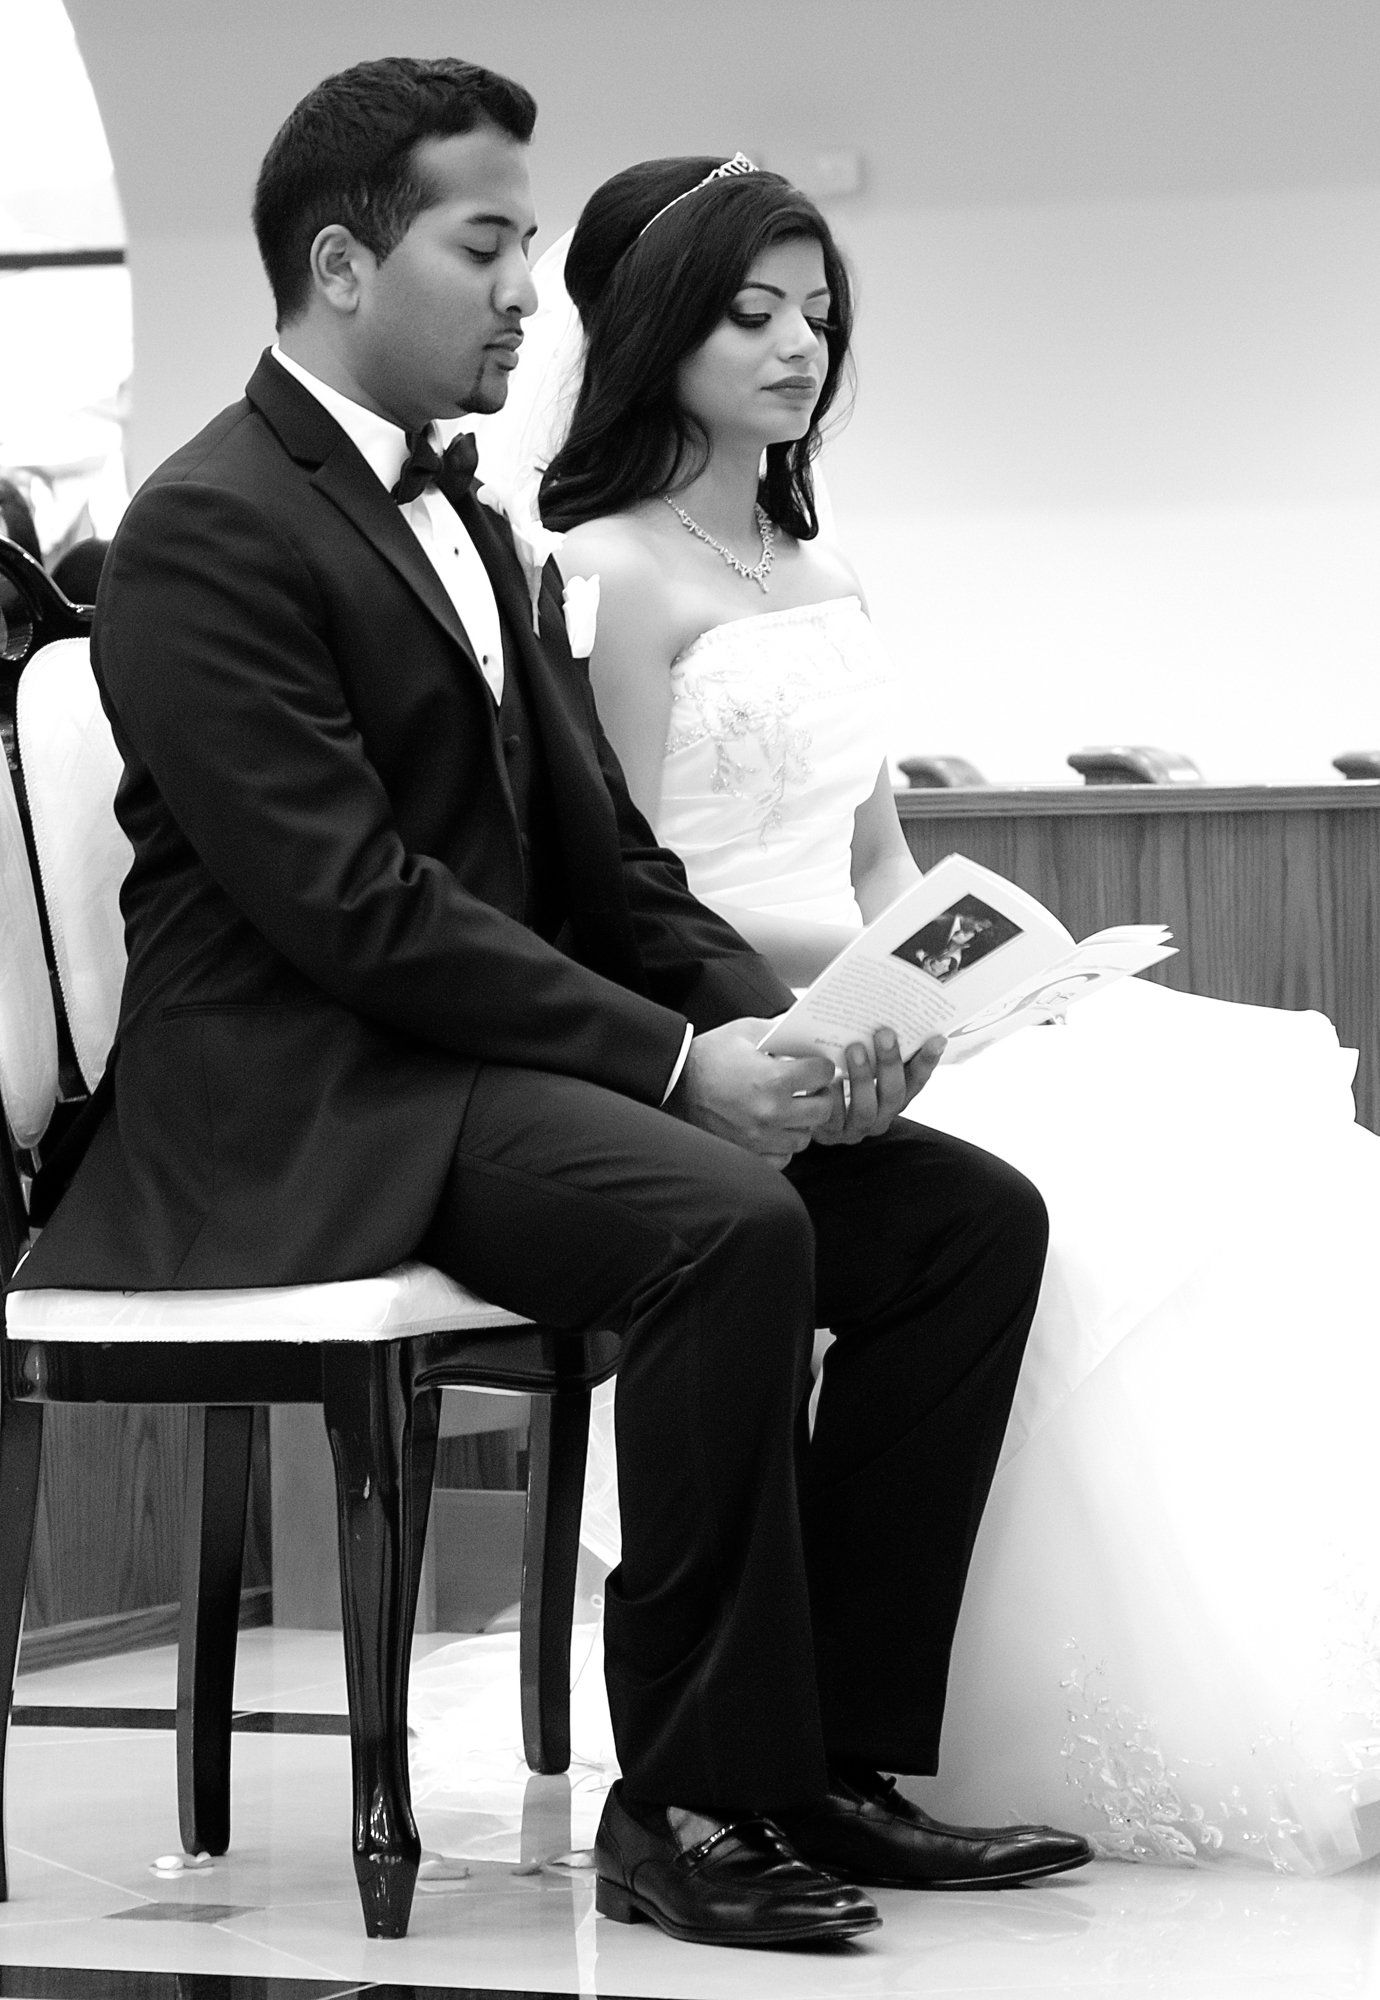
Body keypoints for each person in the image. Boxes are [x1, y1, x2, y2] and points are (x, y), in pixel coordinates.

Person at [5, 62, 1091, 1948]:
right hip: (311, 1096)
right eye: (490, 244)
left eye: (530, 246)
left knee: (958, 1226)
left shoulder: (481, 525)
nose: (532, 292)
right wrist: (683, 1067)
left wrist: (797, 1034)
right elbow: (355, 907)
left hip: (475, 1065)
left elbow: (608, 871)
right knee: (721, 1227)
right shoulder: (207, 527)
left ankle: (833, 1750)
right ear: (346, 264)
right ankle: (684, 1803)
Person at [478, 152, 1380, 1877]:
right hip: (746, 1028)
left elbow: (877, 851)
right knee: (1079, 1213)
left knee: (1253, 1143)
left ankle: (895, 1744)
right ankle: (862, 1739)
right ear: (659, 326)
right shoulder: (601, 575)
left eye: (820, 315)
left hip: (878, 998)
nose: (800, 347)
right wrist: (887, 985)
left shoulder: (819, 568)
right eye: (753, 315)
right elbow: (640, 888)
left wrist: (995, 966)